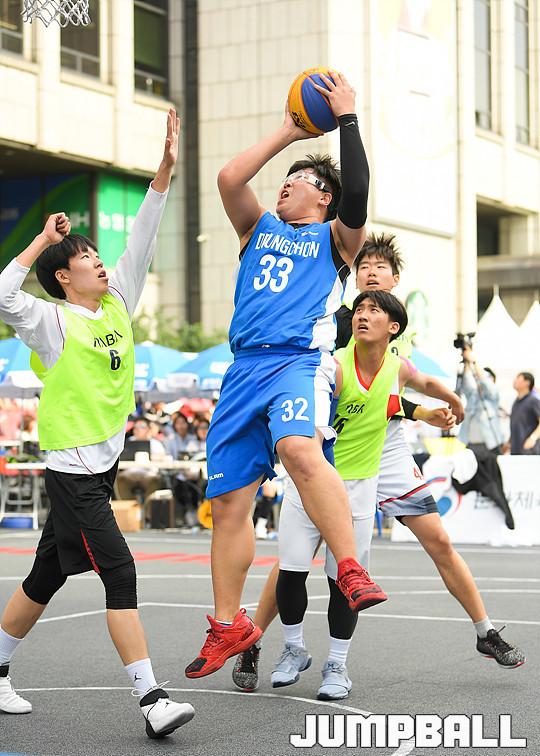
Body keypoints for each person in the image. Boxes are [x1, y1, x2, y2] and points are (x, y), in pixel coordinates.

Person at [233, 233, 525, 694]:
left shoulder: (396, 330)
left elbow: (401, 382)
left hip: (386, 451)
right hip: (339, 446)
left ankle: (484, 630)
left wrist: (440, 403)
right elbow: (360, 394)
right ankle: (255, 640)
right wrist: (421, 410)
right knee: (296, 556)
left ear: (395, 279)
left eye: (378, 267)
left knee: (438, 539)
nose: (369, 272)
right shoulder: (340, 324)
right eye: (362, 266)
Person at [185, 71, 387, 680]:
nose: (284, 185)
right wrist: (288, 133)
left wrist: (346, 118)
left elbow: (358, 195)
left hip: (296, 362)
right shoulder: (257, 228)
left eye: (296, 180)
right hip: (243, 367)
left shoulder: (336, 240)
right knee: (228, 503)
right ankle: (228, 623)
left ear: (323, 198)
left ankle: (349, 567)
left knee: (300, 449)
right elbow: (229, 178)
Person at [0, 109, 195, 739]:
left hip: (100, 465)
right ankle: (152, 700)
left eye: (95, 253)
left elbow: (144, 232)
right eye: (85, 257)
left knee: (47, 574)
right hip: (73, 468)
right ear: (64, 277)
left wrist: (164, 168)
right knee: (121, 571)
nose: (99, 261)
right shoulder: (52, 322)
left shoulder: (116, 302)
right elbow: (3, 293)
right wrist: (40, 240)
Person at [272, 291, 460, 699]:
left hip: (358, 487)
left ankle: (337, 665)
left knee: (343, 580)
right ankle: (293, 648)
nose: (362, 315)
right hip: (311, 481)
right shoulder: (334, 367)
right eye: (359, 309)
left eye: (374, 310)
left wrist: (449, 400)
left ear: (393, 327)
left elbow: (422, 384)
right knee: (291, 571)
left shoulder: (397, 367)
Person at [458, 347, 504, 453]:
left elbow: (486, 383)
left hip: (490, 445)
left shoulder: (492, 396)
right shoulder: (473, 395)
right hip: (470, 444)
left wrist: (474, 362)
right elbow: (466, 381)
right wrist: (467, 363)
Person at [508, 372, 540, 454]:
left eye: (518, 378)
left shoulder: (533, 401)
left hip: (529, 450)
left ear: (527, 382)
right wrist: (509, 441)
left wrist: (533, 438)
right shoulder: (516, 402)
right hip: (516, 449)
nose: (514, 381)